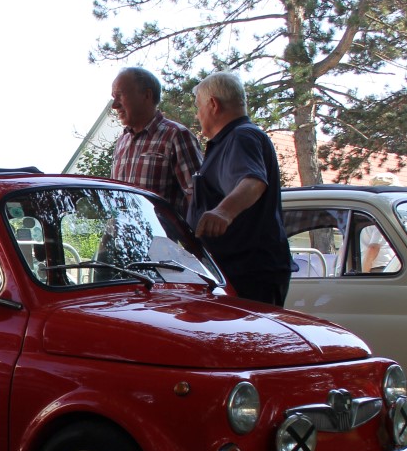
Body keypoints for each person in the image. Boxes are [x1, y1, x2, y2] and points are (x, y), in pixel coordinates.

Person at [188, 71, 292, 305]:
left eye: (198, 106)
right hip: (240, 270)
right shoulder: (233, 139)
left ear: (213, 104)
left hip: (247, 272)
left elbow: (253, 181)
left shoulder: (240, 137)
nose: (197, 115)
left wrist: (223, 212)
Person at [108, 66, 201, 229]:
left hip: (162, 248)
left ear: (147, 95)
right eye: (113, 97)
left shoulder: (176, 136)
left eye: (120, 96)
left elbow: (197, 198)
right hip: (121, 245)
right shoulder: (122, 141)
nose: (114, 105)